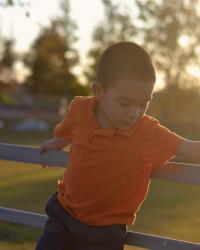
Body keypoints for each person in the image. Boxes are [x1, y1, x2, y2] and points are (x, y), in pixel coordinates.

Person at [36, 41, 199, 250]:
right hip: (62, 214)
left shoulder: (145, 132)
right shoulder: (80, 109)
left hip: (103, 232)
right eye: (125, 103)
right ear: (99, 91)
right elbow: (71, 131)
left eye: (144, 103)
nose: (134, 113)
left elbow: (188, 148)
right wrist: (57, 143)